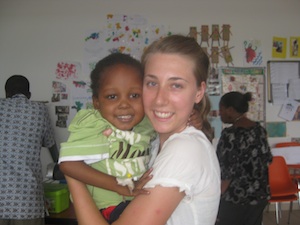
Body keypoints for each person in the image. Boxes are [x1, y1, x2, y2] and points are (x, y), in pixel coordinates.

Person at [65, 34, 221, 225]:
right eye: (152, 83)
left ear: (199, 92)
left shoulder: (185, 149)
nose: (159, 99)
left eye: (176, 85)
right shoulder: (154, 142)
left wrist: (73, 177)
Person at [59, 53, 157, 223]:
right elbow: (68, 164)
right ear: (96, 102)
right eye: (112, 96)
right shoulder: (95, 125)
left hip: (135, 199)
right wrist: (117, 185)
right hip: (106, 207)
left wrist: (194, 119)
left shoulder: (146, 123)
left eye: (134, 95)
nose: (124, 104)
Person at [0, 75, 59, 225]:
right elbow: (51, 145)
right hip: (26, 201)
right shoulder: (40, 109)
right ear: (29, 95)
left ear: (6, 93)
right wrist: (59, 167)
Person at [215, 91, 273, 225]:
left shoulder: (230, 135)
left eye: (221, 109)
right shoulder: (259, 130)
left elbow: (226, 173)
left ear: (230, 110)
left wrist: (216, 197)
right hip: (259, 196)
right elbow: (267, 159)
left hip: (235, 198)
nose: (220, 113)